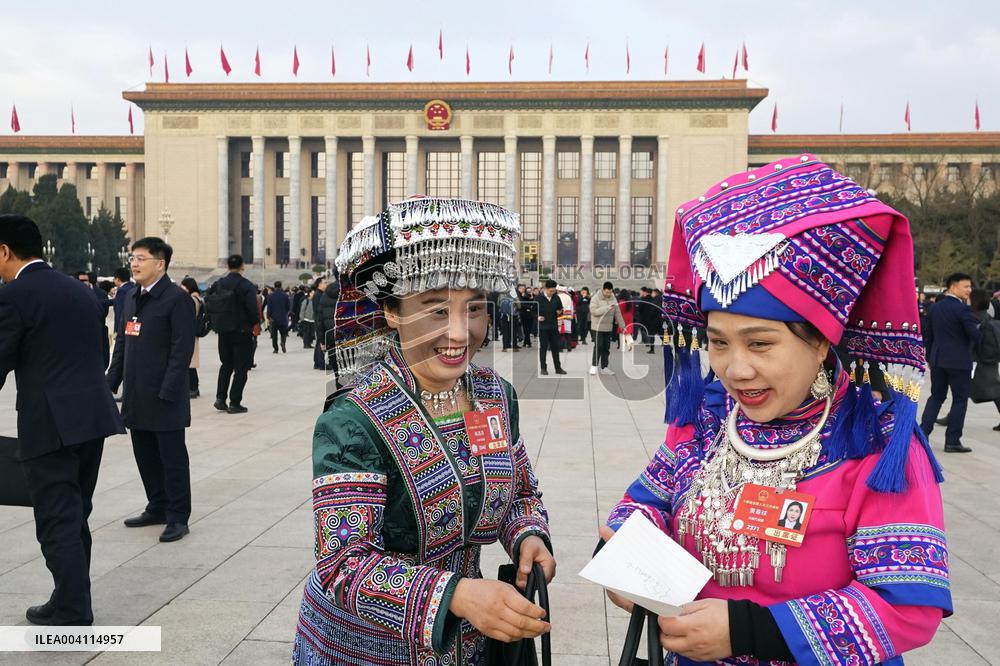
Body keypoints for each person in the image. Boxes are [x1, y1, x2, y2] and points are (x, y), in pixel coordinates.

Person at [601, 155, 951, 665]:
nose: (734, 369)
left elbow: (907, 607)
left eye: (760, 344)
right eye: (718, 343)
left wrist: (751, 629)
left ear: (820, 343)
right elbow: (642, 505)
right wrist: (629, 562)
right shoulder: (705, 422)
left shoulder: (873, 440)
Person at [292, 198, 554, 665]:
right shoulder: (354, 420)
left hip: (470, 643)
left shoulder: (491, 396)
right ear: (392, 312)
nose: (459, 332)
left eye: (474, 308)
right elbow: (344, 563)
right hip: (368, 649)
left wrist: (527, 536)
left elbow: (518, 491)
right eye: (436, 310)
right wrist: (457, 595)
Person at [0, 214, 125, 626]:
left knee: (56, 514)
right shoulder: (82, 291)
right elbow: (98, 354)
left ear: (4, 251)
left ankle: (72, 608)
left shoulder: (13, 296)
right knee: (75, 511)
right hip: (91, 417)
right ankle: (68, 596)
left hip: (50, 422)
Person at [107, 237, 196, 543]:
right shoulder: (132, 296)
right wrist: (111, 381)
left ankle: (177, 516)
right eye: (133, 257)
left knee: (171, 459)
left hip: (164, 397)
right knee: (144, 455)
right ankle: (157, 505)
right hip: (137, 394)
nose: (134, 263)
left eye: (141, 258)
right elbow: (122, 342)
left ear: (160, 264)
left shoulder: (176, 299)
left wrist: (169, 391)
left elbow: (181, 349)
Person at [919, 272, 982, 453]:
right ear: (953, 287)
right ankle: (952, 441)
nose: (969, 290)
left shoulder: (935, 308)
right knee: (960, 400)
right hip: (959, 361)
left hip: (938, 360)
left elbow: (928, 335)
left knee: (936, 397)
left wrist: (929, 357)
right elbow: (975, 335)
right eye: (966, 286)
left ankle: (923, 434)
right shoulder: (963, 310)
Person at [206, 254, 259, 414]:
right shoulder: (246, 286)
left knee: (226, 365)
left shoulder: (218, 283)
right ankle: (235, 402)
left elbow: (210, 303)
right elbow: (252, 308)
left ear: (228, 266)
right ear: (242, 266)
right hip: (242, 331)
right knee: (241, 368)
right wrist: (254, 323)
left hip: (223, 330)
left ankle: (220, 399)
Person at [969, 288, 1000, 430]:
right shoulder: (988, 315)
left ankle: (952, 416)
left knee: (994, 390)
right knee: (993, 388)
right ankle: (951, 415)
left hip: (978, 359)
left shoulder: (973, 317)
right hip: (990, 358)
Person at [589, 281, 629, 376]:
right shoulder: (596, 298)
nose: (608, 294)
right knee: (599, 346)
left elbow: (618, 313)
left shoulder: (613, 298)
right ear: (603, 290)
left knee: (606, 348)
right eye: (607, 292)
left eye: (610, 292)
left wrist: (623, 326)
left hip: (608, 328)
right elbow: (593, 311)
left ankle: (604, 367)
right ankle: (594, 366)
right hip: (597, 327)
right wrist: (606, 308)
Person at [535, 279, 566, 375]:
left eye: (554, 291)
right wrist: (537, 317)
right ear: (545, 289)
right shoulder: (538, 298)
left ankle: (558, 368)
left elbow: (561, 310)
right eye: (551, 291)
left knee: (555, 348)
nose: (552, 293)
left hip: (553, 327)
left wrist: (560, 312)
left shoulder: (556, 298)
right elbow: (532, 311)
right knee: (543, 348)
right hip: (543, 327)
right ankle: (543, 368)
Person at [181, 277, 203, 399]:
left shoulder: (192, 299)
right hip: (191, 333)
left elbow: (189, 316)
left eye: (183, 286)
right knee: (190, 362)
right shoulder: (196, 297)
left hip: (189, 333)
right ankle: (193, 387)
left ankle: (193, 388)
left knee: (190, 363)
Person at [266, 281, 291, 353]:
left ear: (274, 286)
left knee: (274, 335)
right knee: (283, 333)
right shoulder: (285, 296)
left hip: (274, 318)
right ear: (281, 286)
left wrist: (268, 316)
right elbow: (288, 307)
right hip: (283, 317)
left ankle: (275, 348)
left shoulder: (270, 296)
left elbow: (269, 307)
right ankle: (283, 342)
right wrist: (285, 312)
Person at [112, 266, 136, 336]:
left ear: (118, 279)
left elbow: (119, 312)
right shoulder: (133, 287)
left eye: (114, 279)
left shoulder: (121, 291)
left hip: (123, 327)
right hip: (132, 325)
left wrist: (117, 330)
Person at [299, 282, 316, 349]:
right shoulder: (306, 301)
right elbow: (302, 310)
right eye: (312, 293)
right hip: (306, 319)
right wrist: (302, 319)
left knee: (311, 333)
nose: (313, 294)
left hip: (312, 319)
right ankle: (306, 344)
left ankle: (309, 343)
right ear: (309, 293)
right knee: (306, 333)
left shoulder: (314, 301)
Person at [517, 284, 534, 348]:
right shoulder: (519, 295)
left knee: (528, 328)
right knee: (525, 328)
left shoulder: (527, 295)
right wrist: (529, 307)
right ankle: (527, 341)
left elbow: (532, 301)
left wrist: (531, 297)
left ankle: (526, 341)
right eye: (523, 289)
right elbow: (521, 303)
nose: (524, 291)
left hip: (529, 314)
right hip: (524, 314)